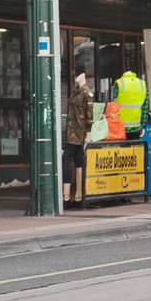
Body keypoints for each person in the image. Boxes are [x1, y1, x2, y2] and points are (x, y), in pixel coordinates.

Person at [63, 72, 93, 203]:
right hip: (71, 130)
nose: (77, 79)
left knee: (66, 158)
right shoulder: (76, 92)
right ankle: (78, 197)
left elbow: (89, 114)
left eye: (80, 78)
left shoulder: (86, 93)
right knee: (78, 160)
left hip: (78, 132)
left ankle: (67, 197)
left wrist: (88, 132)